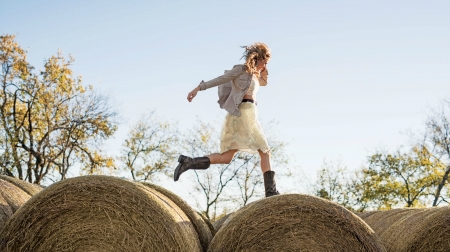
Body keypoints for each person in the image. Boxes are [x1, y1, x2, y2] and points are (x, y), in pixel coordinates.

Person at [174, 42, 279, 197]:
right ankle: (271, 192)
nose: (265, 65)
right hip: (244, 113)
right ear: (259, 58)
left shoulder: (255, 76)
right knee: (265, 151)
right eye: (265, 62)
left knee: (226, 158)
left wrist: (264, 70)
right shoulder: (241, 70)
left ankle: (189, 162)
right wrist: (198, 88)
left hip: (241, 116)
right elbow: (220, 79)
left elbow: (264, 82)